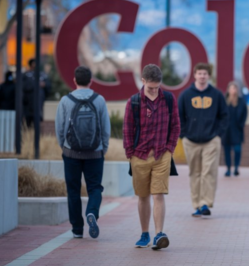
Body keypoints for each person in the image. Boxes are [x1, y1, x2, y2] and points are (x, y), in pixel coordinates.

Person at [123, 64, 180, 250]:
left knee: (158, 195)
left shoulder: (169, 99)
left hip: (162, 155)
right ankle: (144, 233)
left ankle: (159, 234)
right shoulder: (134, 102)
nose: (154, 91)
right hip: (139, 156)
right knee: (143, 196)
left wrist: (170, 149)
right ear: (143, 81)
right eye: (150, 87)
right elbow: (127, 130)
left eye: (157, 87)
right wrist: (130, 153)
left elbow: (176, 126)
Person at [55, 66, 110, 239]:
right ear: (91, 81)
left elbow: (60, 129)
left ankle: (77, 229)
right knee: (95, 188)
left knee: (73, 190)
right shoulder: (99, 100)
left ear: (74, 80)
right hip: (95, 153)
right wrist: (103, 148)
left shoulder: (65, 100)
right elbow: (105, 129)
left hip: (71, 153)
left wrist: (64, 147)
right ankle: (91, 212)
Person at [178, 62, 228, 217]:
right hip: (190, 140)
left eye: (205, 74)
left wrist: (218, 133)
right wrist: (183, 133)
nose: (202, 76)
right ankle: (196, 204)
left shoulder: (216, 94)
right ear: (194, 75)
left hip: (211, 140)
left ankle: (205, 203)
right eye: (199, 73)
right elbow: (179, 116)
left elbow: (224, 116)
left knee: (208, 172)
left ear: (209, 76)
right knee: (195, 172)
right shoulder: (186, 95)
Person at [222, 81, 248, 177]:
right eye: (232, 88)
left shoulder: (241, 101)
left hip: (237, 130)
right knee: (227, 151)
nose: (234, 90)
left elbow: (245, 114)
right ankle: (228, 169)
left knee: (237, 150)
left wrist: (241, 125)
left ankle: (236, 168)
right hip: (226, 131)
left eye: (235, 88)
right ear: (228, 90)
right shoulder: (224, 101)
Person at [23, 58, 51, 127]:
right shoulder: (26, 75)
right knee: (28, 123)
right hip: (28, 104)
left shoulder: (42, 75)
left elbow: (48, 86)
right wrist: (36, 84)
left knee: (37, 123)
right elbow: (24, 87)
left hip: (39, 103)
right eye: (33, 64)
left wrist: (44, 84)